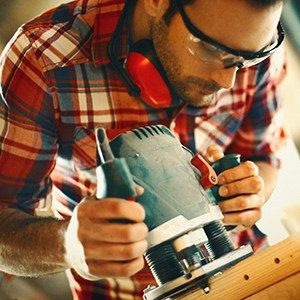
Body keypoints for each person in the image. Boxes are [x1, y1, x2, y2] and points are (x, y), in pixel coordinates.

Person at [0, 0, 288, 298]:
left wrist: (249, 193)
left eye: (247, 60)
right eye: (211, 50)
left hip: (246, 270)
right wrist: (67, 246)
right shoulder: (44, 59)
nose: (227, 81)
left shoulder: (258, 44)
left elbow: (263, 156)